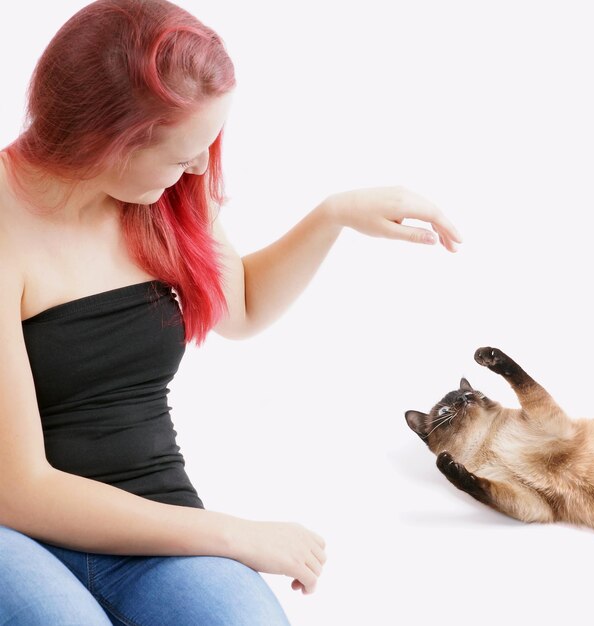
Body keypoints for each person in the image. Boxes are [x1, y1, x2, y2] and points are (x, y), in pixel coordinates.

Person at [0, 0, 462, 624]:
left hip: (151, 515)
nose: (198, 165)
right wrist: (233, 535)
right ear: (107, 141)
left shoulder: (154, 193)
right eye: (181, 152)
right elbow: (21, 490)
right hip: (14, 527)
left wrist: (333, 216)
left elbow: (239, 305)